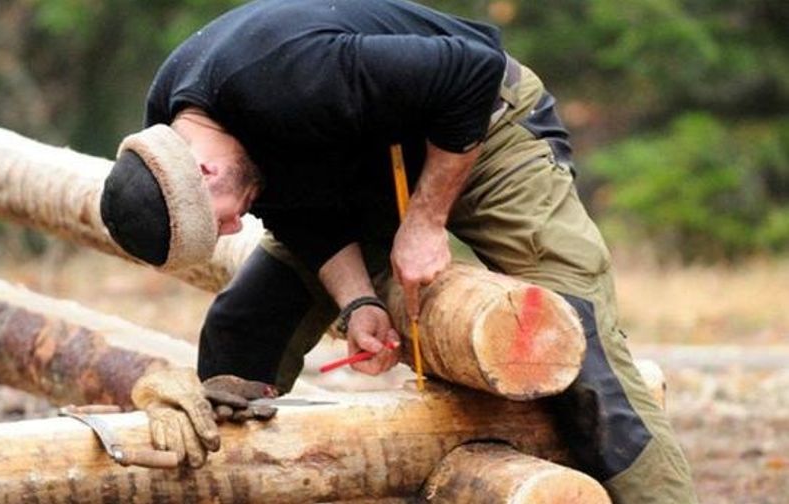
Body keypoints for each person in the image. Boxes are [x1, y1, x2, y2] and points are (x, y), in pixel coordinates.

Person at [99, 0, 698, 501]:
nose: (232, 230)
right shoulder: (168, 135)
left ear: (204, 171)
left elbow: (472, 71)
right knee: (241, 329)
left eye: (221, 219)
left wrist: (426, 222)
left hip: (482, 128)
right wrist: (358, 300)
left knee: (574, 339)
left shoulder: (288, 76)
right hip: (363, 171)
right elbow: (295, 213)